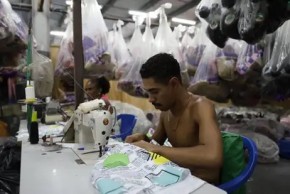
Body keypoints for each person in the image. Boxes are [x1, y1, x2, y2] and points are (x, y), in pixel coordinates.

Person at [125, 53, 223, 184]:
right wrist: (143, 138)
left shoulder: (201, 107)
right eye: (148, 92)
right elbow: (155, 142)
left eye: (155, 92)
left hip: (203, 186)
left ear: (174, 83)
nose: (150, 99)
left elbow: (213, 156)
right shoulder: (167, 111)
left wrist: (157, 150)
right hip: (178, 180)